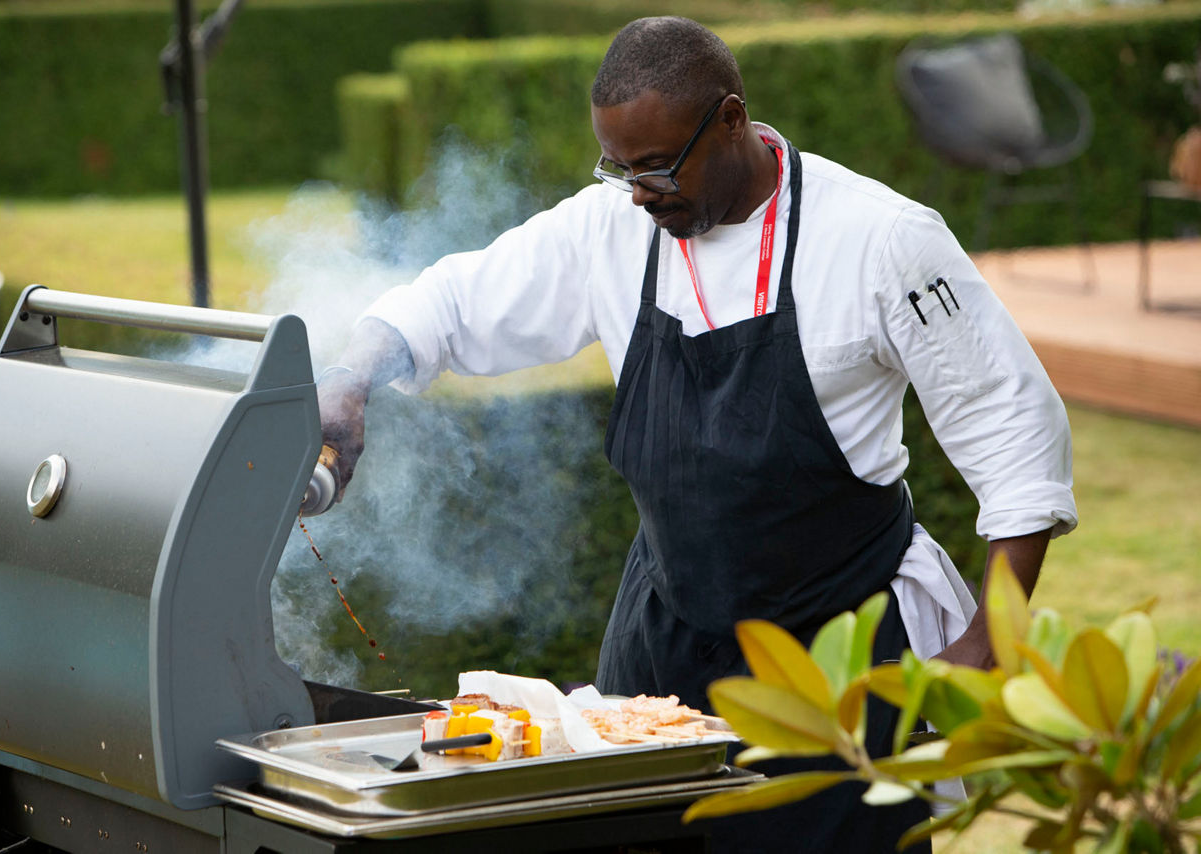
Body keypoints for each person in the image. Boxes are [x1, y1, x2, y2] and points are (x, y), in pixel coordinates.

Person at [317, 16, 1077, 851]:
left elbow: (1014, 429)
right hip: (660, 655)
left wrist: (992, 636)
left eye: (657, 166)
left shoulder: (881, 239)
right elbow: (456, 300)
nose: (641, 192)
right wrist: (352, 376)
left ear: (730, 119)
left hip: (835, 667)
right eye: (621, 168)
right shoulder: (613, 226)